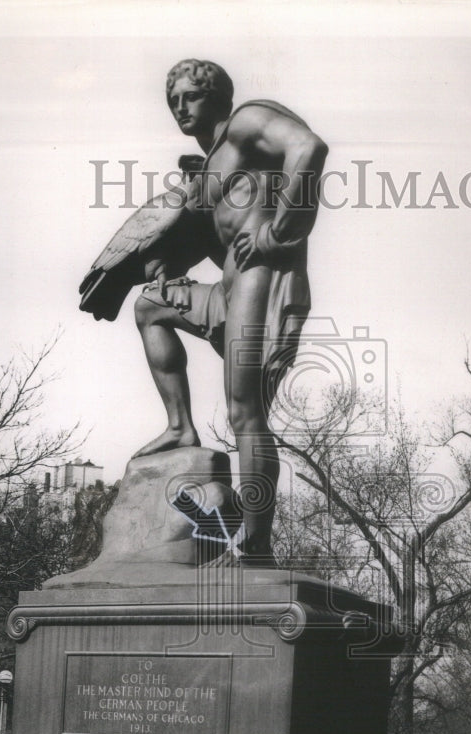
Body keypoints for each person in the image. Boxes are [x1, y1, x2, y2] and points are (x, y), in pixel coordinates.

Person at [124, 60, 328, 565]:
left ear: (215, 96)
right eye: (172, 101)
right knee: (150, 307)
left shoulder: (247, 122)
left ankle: (255, 546)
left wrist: (279, 232)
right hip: (228, 291)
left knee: (244, 412)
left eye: (189, 97)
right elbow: (205, 237)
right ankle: (180, 427)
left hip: (260, 278)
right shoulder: (208, 168)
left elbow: (308, 148)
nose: (179, 108)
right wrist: (166, 266)